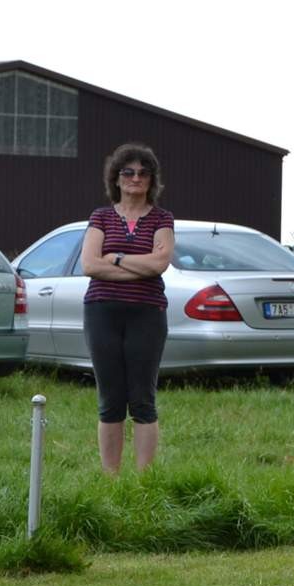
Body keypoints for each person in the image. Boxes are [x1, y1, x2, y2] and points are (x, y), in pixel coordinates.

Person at [79, 143, 175, 475]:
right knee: (110, 400)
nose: (136, 178)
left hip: (147, 314)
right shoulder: (100, 217)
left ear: (152, 180)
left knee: (143, 399)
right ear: (116, 178)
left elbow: (159, 264)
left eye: (143, 173)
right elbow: (90, 265)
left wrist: (117, 258)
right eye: (128, 172)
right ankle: (112, 480)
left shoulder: (162, 219)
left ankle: (144, 479)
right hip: (101, 313)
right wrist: (139, 266)